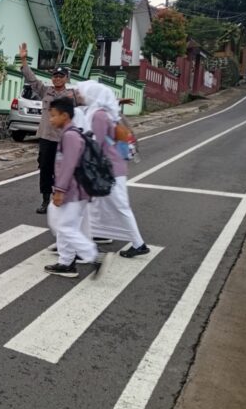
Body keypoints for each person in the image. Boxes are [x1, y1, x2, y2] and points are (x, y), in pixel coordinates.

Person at [75, 80, 149, 258]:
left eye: (82, 92)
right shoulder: (103, 112)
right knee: (92, 205)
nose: (79, 95)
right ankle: (86, 241)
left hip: (110, 168)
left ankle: (139, 244)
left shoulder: (98, 115)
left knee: (119, 205)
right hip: (112, 166)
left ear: (92, 95)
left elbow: (96, 144)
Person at [44, 97, 103, 278]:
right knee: (62, 224)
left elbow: (69, 165)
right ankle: (66, 262)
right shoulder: (71, 133)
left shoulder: (70, 136)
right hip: (74, 190)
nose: (50, 119)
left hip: (73, 191)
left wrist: (60, 191)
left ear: (65, 115)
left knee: (64, 227)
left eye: (53, 116)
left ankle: (91, 255)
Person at [18, 42, 76, 214]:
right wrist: (24, 61)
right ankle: (45, 200)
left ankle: (60, 196)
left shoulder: (71, 96)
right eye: (55, 76)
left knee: (62, 170)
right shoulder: (46, 92)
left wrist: (116, 102)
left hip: (63, 140)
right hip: (46, 138)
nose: (57, 78)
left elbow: (90, 102)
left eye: (61, 76)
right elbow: (32, 80)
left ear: (66, 78)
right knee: (45, 169)